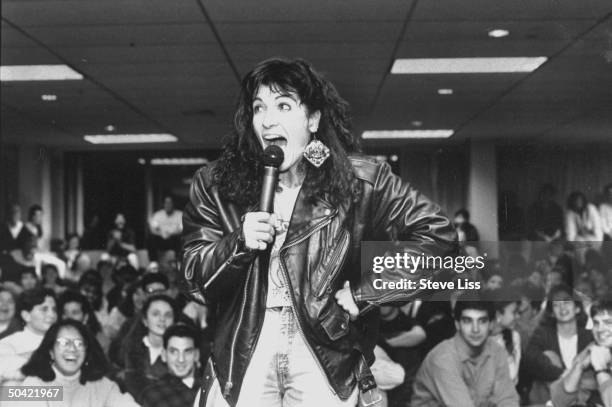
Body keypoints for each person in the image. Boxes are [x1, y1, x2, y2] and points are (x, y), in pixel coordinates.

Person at [181, 57, 456, 406]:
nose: (267, 120)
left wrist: (367, 292)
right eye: (258, 108)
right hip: (244, 343)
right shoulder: (216, 183)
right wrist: (238, 244)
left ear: (313, 119)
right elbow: (192, 277)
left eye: (283, 105)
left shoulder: (360, 181)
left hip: (325, 350)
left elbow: (438, 237)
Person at [410, 291, 519, 407]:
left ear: (491, 324)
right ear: (457, 324)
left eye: (482, 321)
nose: (475, 329)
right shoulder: (443, 358)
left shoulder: (497, 351)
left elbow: (507, 399)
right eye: (468, 321)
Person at [13, 319, 138, 407]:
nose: (72, 349)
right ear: (51, 351)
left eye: (79, 343)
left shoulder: (102, 386)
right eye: (63, 343)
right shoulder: (34, 385)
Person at [522, 283, 593, 405]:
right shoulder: (542, 334)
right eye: (556, 305)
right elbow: (531, 359)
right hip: (548, 398)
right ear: (551, 313)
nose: (562, 308)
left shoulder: (589, 336)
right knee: (550, 356)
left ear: (577, 308)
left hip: (582, 399)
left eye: (566, 302)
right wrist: (565, 375)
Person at [550, 298, 612, 407]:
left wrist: (600, 370)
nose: (600, 329)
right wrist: (579, 367)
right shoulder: (593, 349)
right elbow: (559, 401)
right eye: (596, 323)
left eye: (608, 322)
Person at [121, 294, 176, 401]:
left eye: (168, 315)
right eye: (156, 314)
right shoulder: (131, 349)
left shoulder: (179, 352)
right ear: (145, 320)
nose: (162, 319)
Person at [0, 288, 57, 384]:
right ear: (26, 315)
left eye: (54, 309)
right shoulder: (9, 343)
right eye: (44, 309)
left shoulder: (62, 340)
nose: (52, 315)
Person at [140, 323, 203, 407]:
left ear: (196, 355)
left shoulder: (212, 386)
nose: (181, 359)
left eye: (187, 352)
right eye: (173, 352)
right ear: (164, 355)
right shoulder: (153, 394)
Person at [149, 195, 183, 260]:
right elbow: (152, 229)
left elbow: (182, 230)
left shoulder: (180, 214)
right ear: (163, 204)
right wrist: (161, 234)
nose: (168, 205)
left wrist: (171, 234)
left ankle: (178, 262)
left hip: (174, 238)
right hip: (161, 238)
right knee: (151, 239)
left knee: (181, 239)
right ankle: (153, 262)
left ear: (173, 204)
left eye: (170, 203)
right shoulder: (158, 215)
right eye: (166, 203)